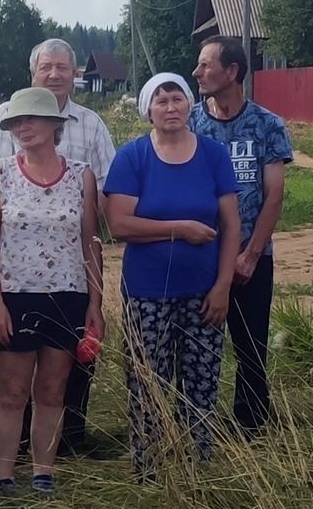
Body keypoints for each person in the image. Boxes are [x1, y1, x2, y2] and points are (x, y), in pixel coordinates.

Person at [0, 38, 118, 462]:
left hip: (69, 286)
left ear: (75, 74)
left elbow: (102, 203)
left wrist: (97, 296)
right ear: (32, 71)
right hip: (16, 284)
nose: (55, 74)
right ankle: (1, 458)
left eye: (63, 67)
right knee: (9, 384)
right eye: (46, 67)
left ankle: (59, 453)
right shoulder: (3, 118)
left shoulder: (91, 125)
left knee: (63, 382)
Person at [104, 73, 238, 473]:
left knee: (201, 382)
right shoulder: (133, 157)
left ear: (190, 105)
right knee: (147, 381)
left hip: (203, 294)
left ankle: (195, 467)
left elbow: (231, 226)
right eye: (160, 101)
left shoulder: (213, 155)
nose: (170, 107)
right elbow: (119, 225)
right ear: (148, 110)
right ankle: (150, 468)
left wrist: (223, 286)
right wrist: (179, 229)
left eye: (177, 99)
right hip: (145, 295)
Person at [190, 35, 292, 437]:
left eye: (205, 64)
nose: (197, 72)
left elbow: (274, 195)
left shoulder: (267, 125)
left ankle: (250, 425)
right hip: (202, 256)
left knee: (251, 346)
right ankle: (196, 420)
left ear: (231, 71)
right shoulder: (193, 123)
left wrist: (250, 255)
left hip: (252, 258)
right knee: (198, 342)